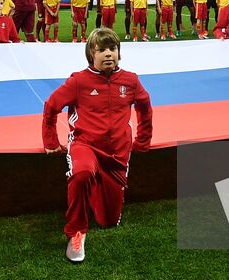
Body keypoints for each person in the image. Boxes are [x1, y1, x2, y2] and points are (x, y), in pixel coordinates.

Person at [42, 28, 152, 263]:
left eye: (112, 48)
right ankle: (76, 232)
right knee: (82, 173)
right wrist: (51, 141)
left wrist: (143, 140)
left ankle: (96, 188)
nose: (108, 54)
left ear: (119, 53)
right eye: (101, 50)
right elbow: (51, 106)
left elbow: (145, 107)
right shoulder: (79, 81)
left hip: (117, 153)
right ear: (91, 54)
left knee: (109, 221)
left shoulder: (130, 80)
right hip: (85, 145)